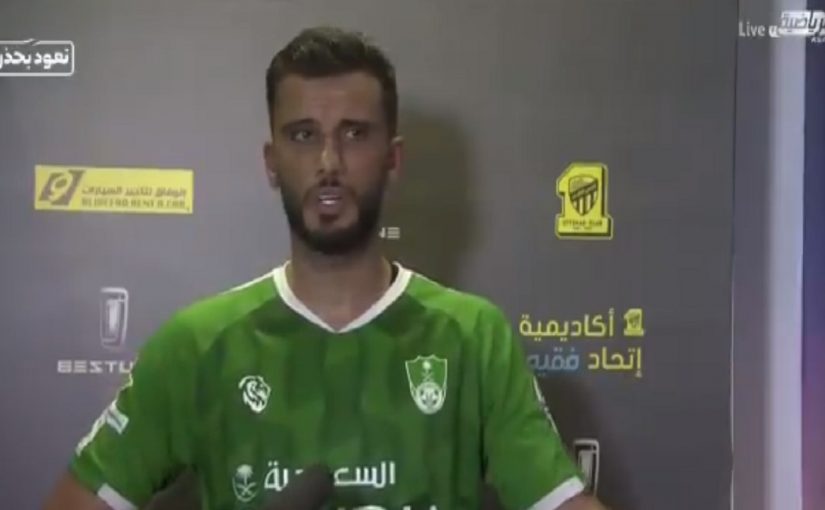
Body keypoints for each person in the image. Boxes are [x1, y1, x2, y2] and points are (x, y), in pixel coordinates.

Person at [43, 26, 608, 510]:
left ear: (392, 159)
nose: (329, 162)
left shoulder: (473, 339)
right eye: (303, 135)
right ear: (272, 162)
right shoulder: (197, 346)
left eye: (354, 134)